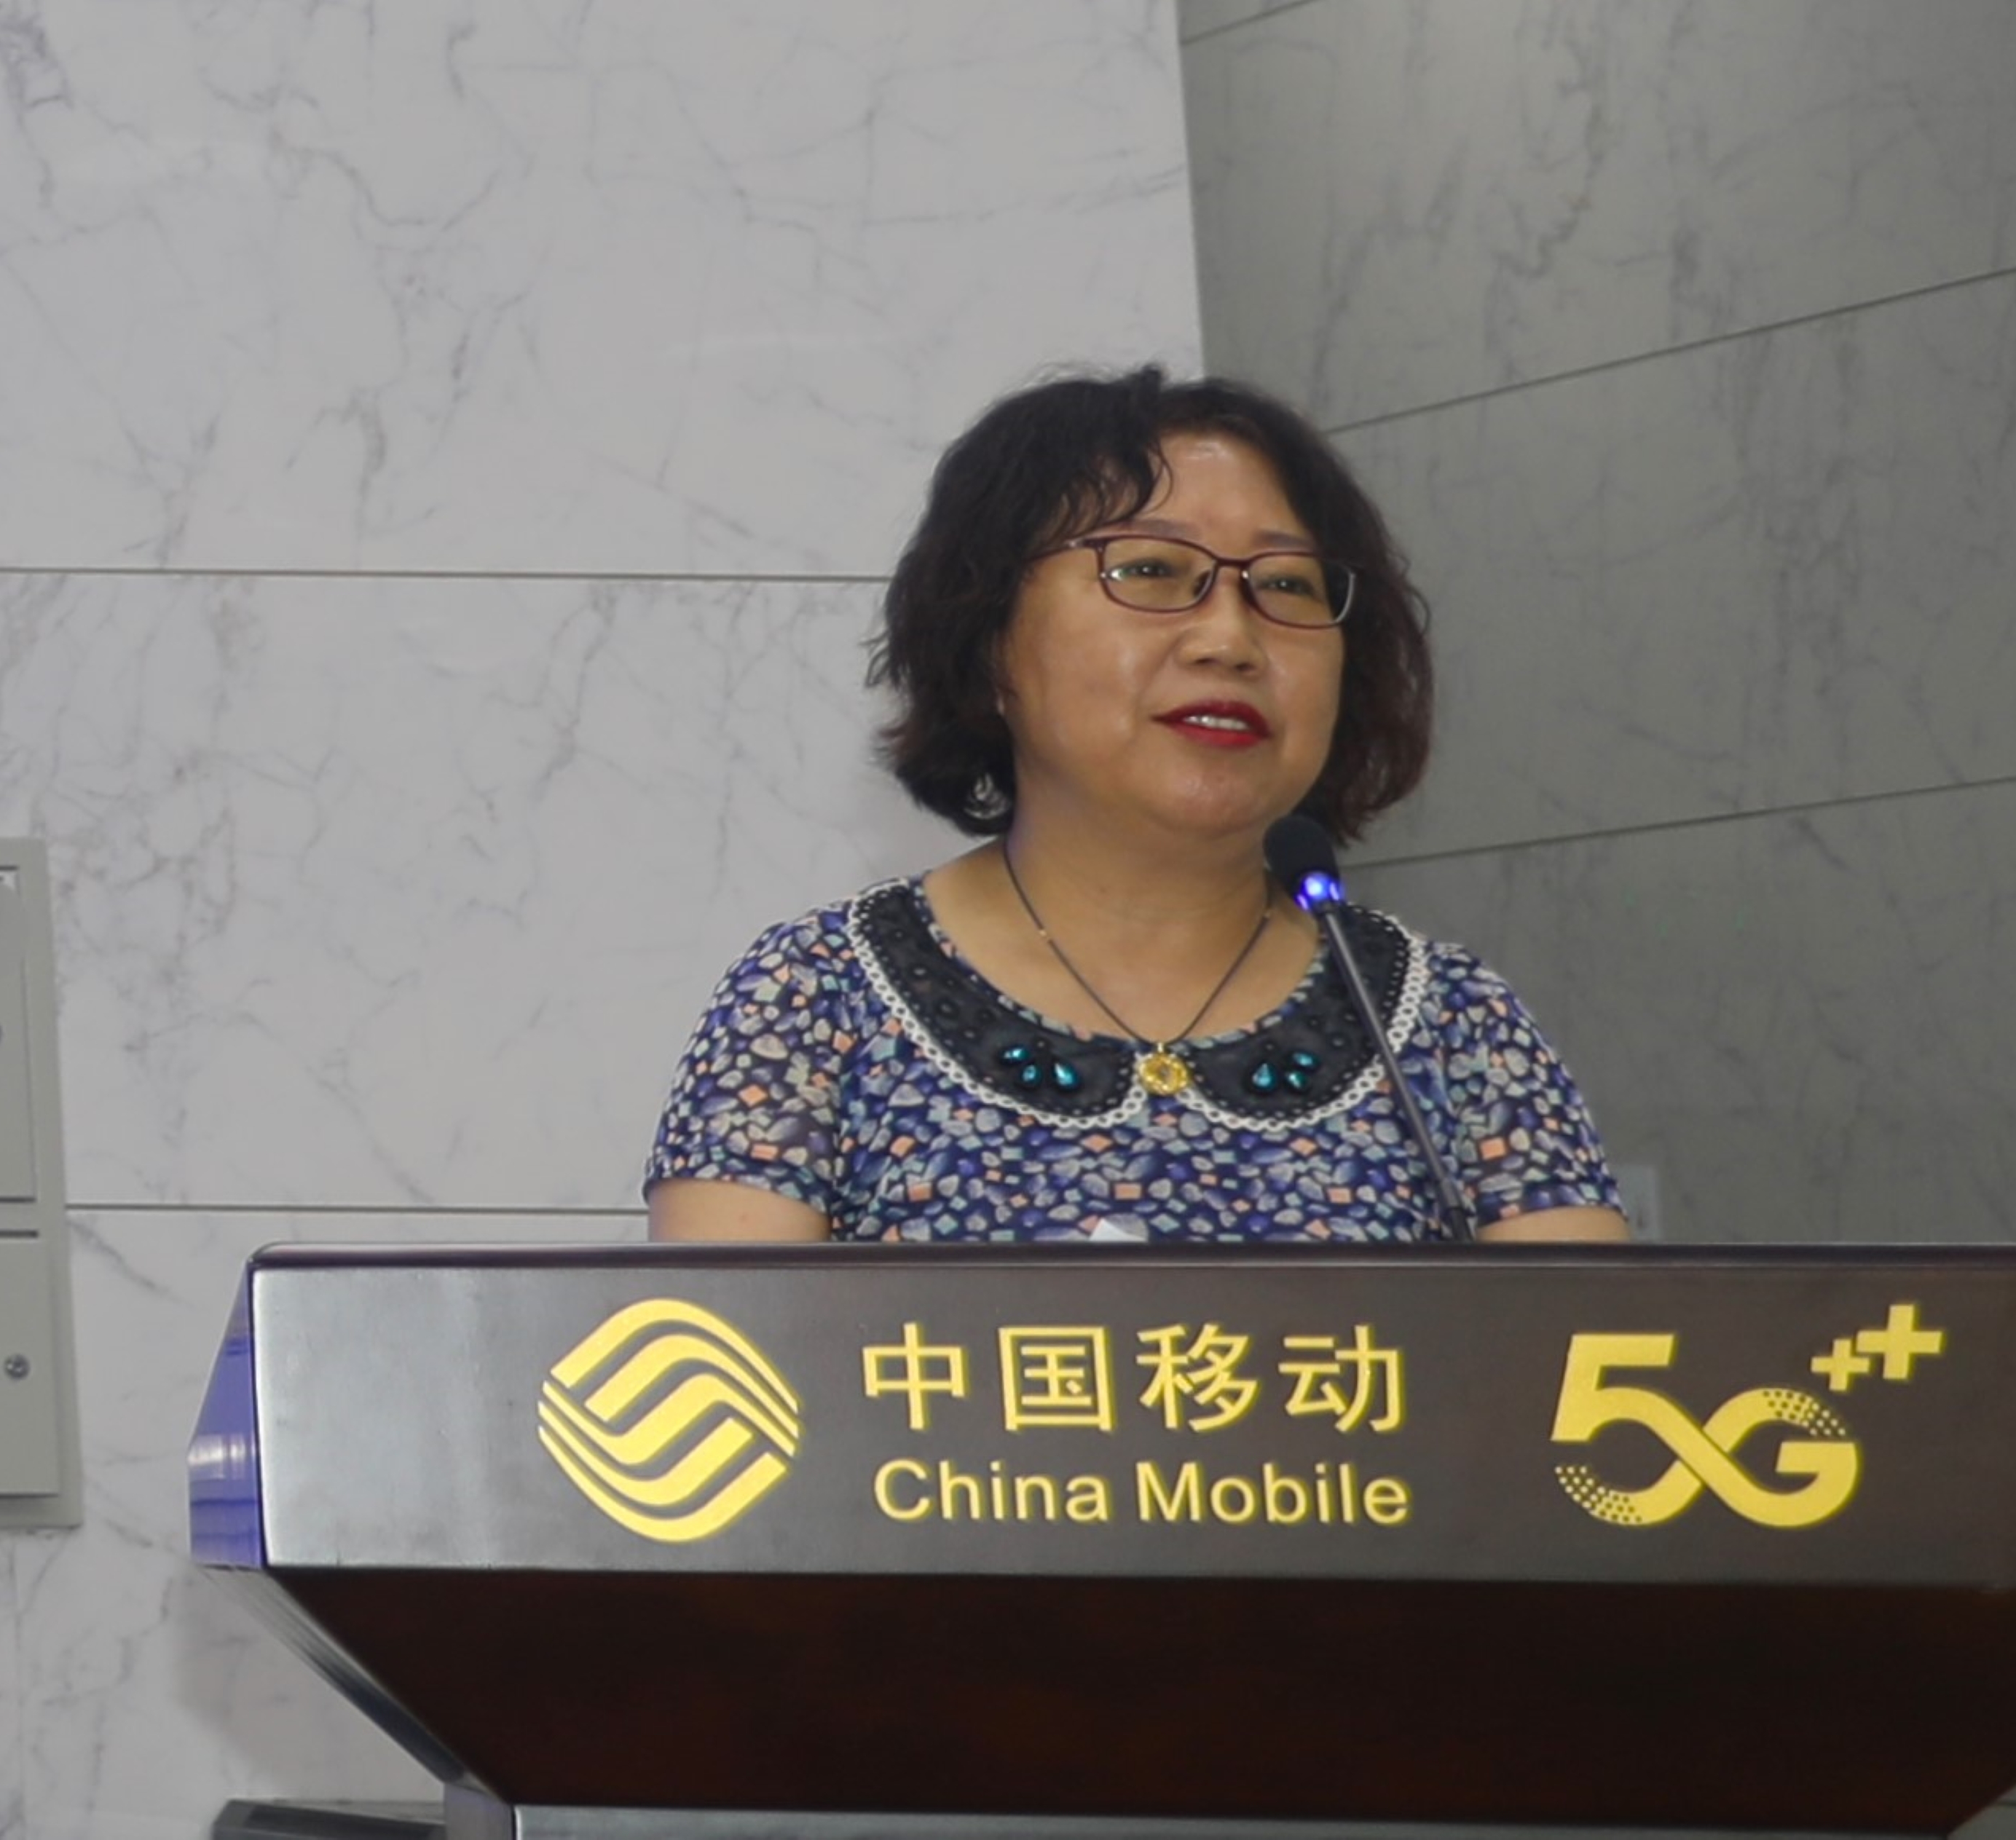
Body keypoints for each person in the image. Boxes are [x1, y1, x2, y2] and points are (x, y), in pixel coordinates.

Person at [644, 368, 1629, 1245]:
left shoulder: (1449, 1020)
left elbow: (1595, 1366)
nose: (1230, 640)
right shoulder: (816, 998)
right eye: (1153, 570)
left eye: (1287, 585)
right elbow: (733, 1370)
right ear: (987, 641)